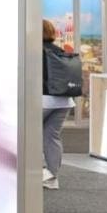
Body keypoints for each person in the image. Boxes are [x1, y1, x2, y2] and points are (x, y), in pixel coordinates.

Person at [42, 20, 73, 190]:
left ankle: (26, 175)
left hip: (43, 100)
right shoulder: (59, 51)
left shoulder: (35, 51)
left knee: (27, 135)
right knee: (51, 137)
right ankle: (52, 178)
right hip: (64, 101)